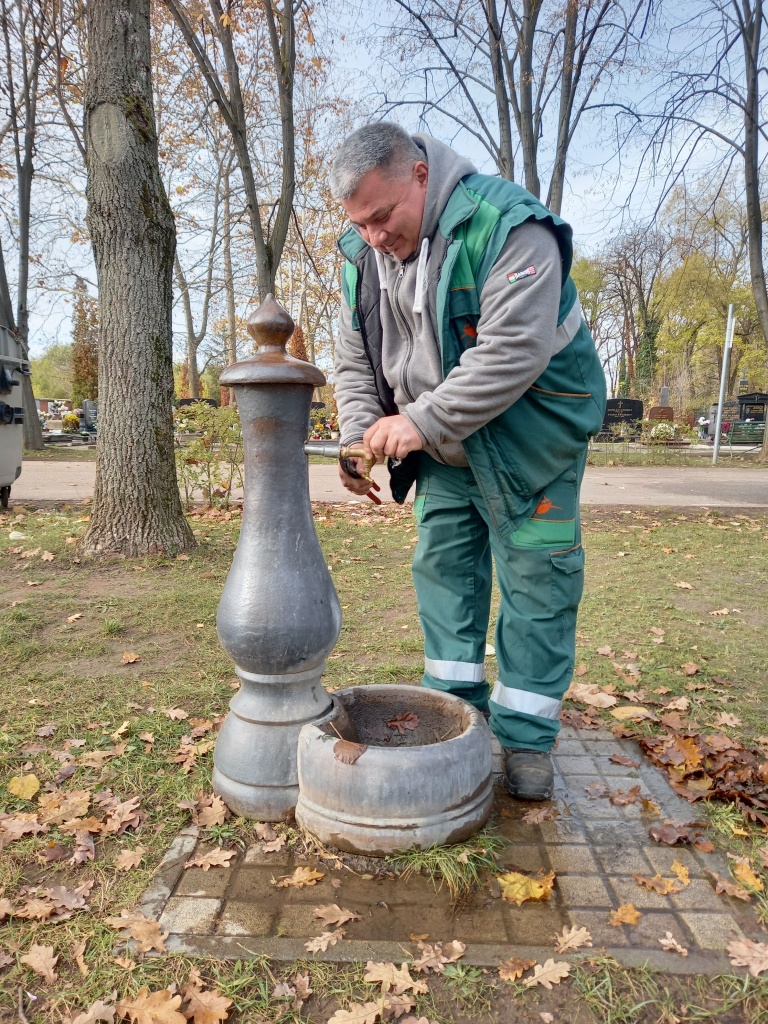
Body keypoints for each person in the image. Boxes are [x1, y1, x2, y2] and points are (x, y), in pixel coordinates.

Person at [330, 123, 606, 801]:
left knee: (538, 588)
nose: (373, 236)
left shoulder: (512, 228)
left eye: (382, 216)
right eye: (358, 223)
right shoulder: (362, 259)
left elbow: (512, 351)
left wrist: (418, 421)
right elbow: (354, 359)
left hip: (531, 444)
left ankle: (525, 739)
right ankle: (455, 719)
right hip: (447, 448)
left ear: (420, 175)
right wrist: (360, 434)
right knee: (445, 575)